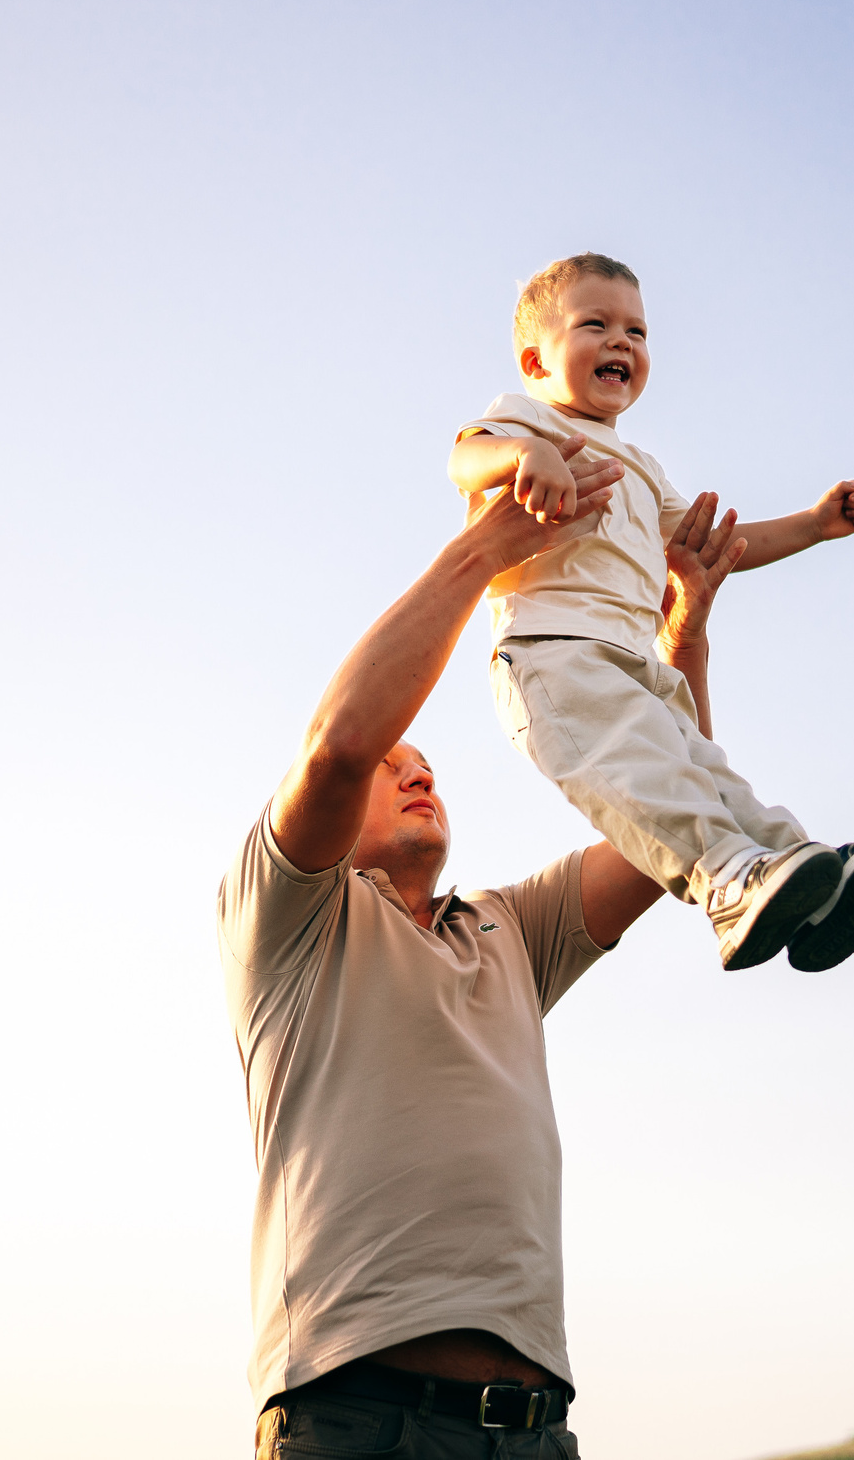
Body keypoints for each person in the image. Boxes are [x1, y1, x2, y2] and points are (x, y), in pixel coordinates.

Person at [220, 441, 751, 1456]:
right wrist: (484, 550)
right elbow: (338, 744)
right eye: (394, 766)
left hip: (535, 1432)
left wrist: (684, 633)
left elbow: (663, 837)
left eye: (427, 764)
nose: (417, 775)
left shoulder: (511, 928)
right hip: (357, 1419)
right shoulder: (286, 919)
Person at [448, 252, 854, 973]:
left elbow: (721, 545)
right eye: (595, 324)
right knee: (645, 776)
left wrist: (813, 525)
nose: (622, 341)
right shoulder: (528, 419)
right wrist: (524, 457)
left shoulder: (642, 467)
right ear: (536, 361)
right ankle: (726, 883)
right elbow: (464, 458)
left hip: (637, 665)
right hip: (551, 654)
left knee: (710, 773)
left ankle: (804, 876)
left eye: (637, 331)